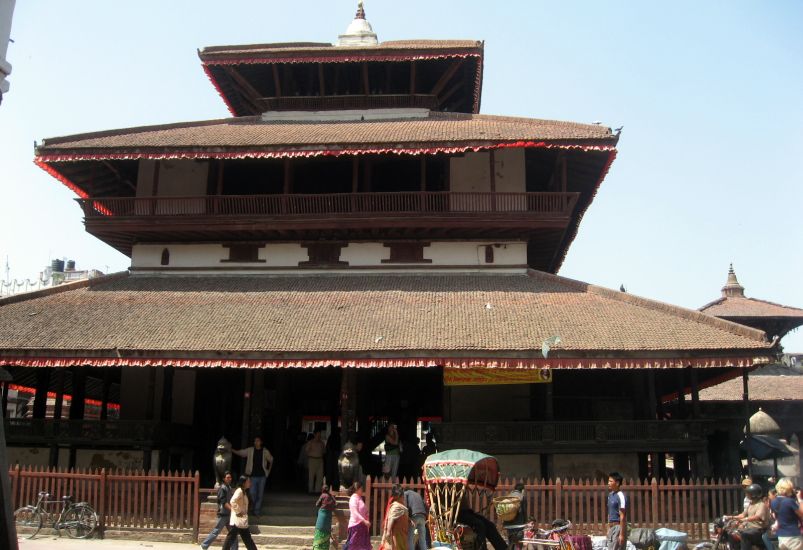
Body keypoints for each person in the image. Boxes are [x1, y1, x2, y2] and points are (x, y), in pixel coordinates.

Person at [232, 436, 273, 517]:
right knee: (252, 493)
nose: (255, 442)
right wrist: (232, 450)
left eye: (257, 441)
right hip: (252, 476)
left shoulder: (265, 451)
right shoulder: (250, 450)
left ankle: (256, 511)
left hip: (262, 476)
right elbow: (242, 453)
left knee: (260, 494)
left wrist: (268, 471)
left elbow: (271, 460)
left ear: (261, 442)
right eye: (255, 441)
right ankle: (254, 506)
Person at [725, 483, 770, 550]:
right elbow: (743, 514)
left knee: (745, 535)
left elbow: (757, 517)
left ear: (753, 494)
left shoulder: (761, 505)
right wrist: (731, 517)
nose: (746, 495)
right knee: (731, 533)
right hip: (750, 528)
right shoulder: (751, 504)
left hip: (759, 529)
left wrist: (745, 519)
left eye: (748, 493)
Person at [200, 471, 238, 550]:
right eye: (227, 477)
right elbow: (223, 502)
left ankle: (234, 548)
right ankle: (204, 545)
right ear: (224, 479)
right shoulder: (222, 488)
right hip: (223, 515)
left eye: (230, 477)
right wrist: (233, 510)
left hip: (229, 515)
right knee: (216, 532)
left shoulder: (229, 487)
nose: (229, 479)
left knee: (233, 533)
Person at [221, 476, 258, 550]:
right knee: (231, 538)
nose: (250, 483)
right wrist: (238, 511)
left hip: (242, 520)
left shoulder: (244, 492)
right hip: (237, 520)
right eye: (248, 482)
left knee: (247, 539)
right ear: (244, 483)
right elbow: (232, 501)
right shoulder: (239, 491)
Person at [771, 478, 803, 550]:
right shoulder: (790, 502)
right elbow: (801, 514)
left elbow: (775, 517)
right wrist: (800, 499)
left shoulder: (773, 502)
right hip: (793, 536)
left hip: (781, 536)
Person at [381, 484, 410, 550]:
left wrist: (409, 520)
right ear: (397, 496)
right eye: (402, 496)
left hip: (403, 532)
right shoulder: (395, 506)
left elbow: (403, 515)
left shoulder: (401, 505)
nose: (403, 497)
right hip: (398, 533)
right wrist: (388, 532)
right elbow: (391, 518)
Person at [346, 481, 372, 550]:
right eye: (361, 488)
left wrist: (366, 515)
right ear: (357, 489)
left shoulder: (359, 498)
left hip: (362, 526)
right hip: (356, 526)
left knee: (363, 547)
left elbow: (363, 510)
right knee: (354, 547)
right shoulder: (353, 498)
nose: (362, 490)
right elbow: (355, 512)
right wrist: (364, 521)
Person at [607, 472, 628, 550]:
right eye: (608, 481)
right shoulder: (610, 495)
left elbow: (622, 516)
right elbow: (609, 513)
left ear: (617, 483)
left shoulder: (621, 496)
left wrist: (622, 534)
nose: (608, 483)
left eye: (611, 481)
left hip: (618, 527)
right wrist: (608, 528)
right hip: (611, 527)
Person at [313, 484, 338, 550]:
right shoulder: (331, 496)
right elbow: (335, 504)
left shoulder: (323, 495)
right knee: (326, 532)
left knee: (320, 530)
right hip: (328, 516)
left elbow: (317, 504)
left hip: (322, 516)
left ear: (322, 490)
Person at [306, 429, 327, 494]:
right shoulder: (310, 442)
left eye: (320, 435)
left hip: (320, 460)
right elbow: (306, 451)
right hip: (312, 459)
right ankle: (310, 490)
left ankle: (317, 490)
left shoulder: (322, 443)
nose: (319, 436)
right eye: (318, 434)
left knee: (320, 476)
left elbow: (324, 451)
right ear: (314, 434)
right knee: (311, 475)